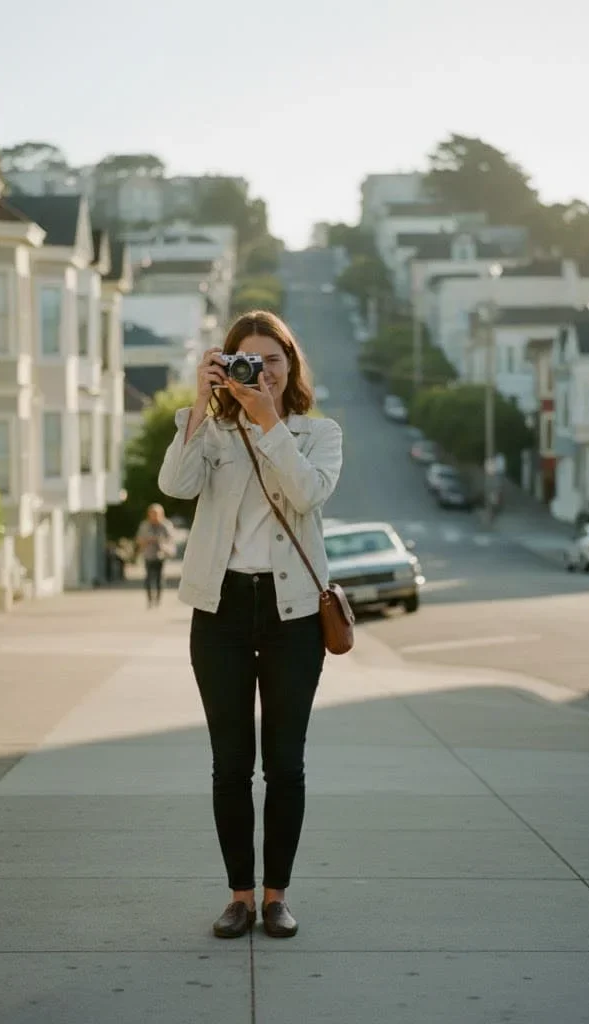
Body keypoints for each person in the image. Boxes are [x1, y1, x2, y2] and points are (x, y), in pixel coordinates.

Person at [158, 309, 343, 939]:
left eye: (272, 360)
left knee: (285, 764)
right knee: (231, 764)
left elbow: (308, 494)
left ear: (291, 366)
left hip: (294, 615)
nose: (261, 371)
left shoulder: (319, 434)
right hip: (222, 611)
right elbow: (174, 484)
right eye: (247, 360)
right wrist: (198, 401)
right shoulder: (212, 432)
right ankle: (239, 896)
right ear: (226, 365)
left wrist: (268, 422)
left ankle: (276, 897)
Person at [135, 503, 175, 607]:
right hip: (148, 555)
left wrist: (161, 542)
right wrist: (148, 540)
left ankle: (158, 600)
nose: (154, 516)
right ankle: (149, 600)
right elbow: (139, 540)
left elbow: (171, 539)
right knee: (148, 578)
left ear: (161, 514)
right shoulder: (144, 525)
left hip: (161, 555)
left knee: (159, 578)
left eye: (156, 514)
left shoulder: (166, 525)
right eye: (152, 513)